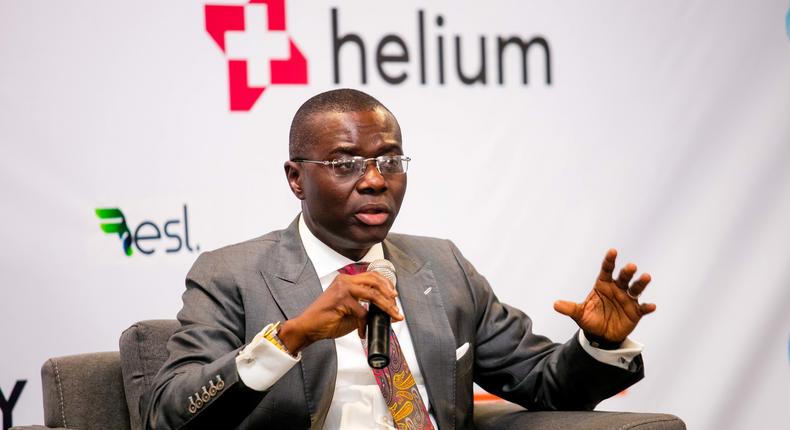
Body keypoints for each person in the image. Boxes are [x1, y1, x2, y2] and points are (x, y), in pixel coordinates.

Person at [143, 89, 656, 430]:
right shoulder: (231, 274)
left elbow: (543, 384)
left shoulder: (442, 266)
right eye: (345, 163)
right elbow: (167, 414)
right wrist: (293, 335)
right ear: (296, 178)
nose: (373, 179)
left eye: (389, 160)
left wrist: (598, 342)